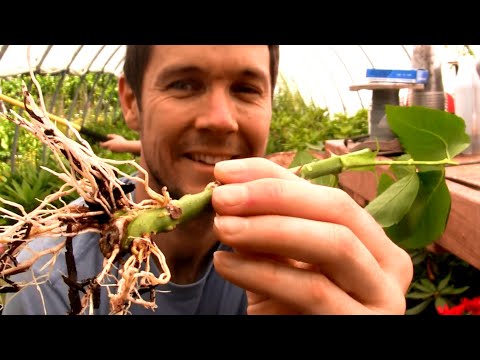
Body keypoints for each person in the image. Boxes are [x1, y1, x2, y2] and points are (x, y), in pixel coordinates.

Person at [2, 45, 413, 315]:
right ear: (131, 102)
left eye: (246, 89)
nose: (221, 119)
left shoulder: (298, 265)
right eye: (184, 84)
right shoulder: (50, 281)